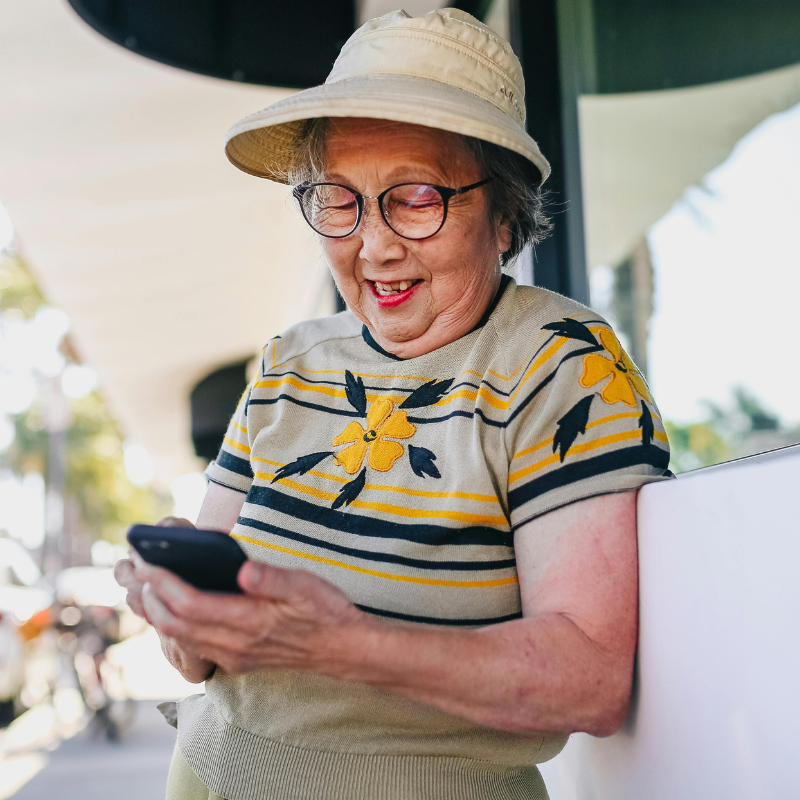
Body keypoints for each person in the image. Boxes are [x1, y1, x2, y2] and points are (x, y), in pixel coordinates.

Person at [115, 9, 671, 800]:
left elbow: (590, 680)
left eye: (414, 198)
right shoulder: (287, 365)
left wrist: (338, 642)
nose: (372, 245)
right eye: (338, 199)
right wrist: (180, 611)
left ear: (505, 216)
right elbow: (200, 664)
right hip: (207, 774)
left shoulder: (561, 365)